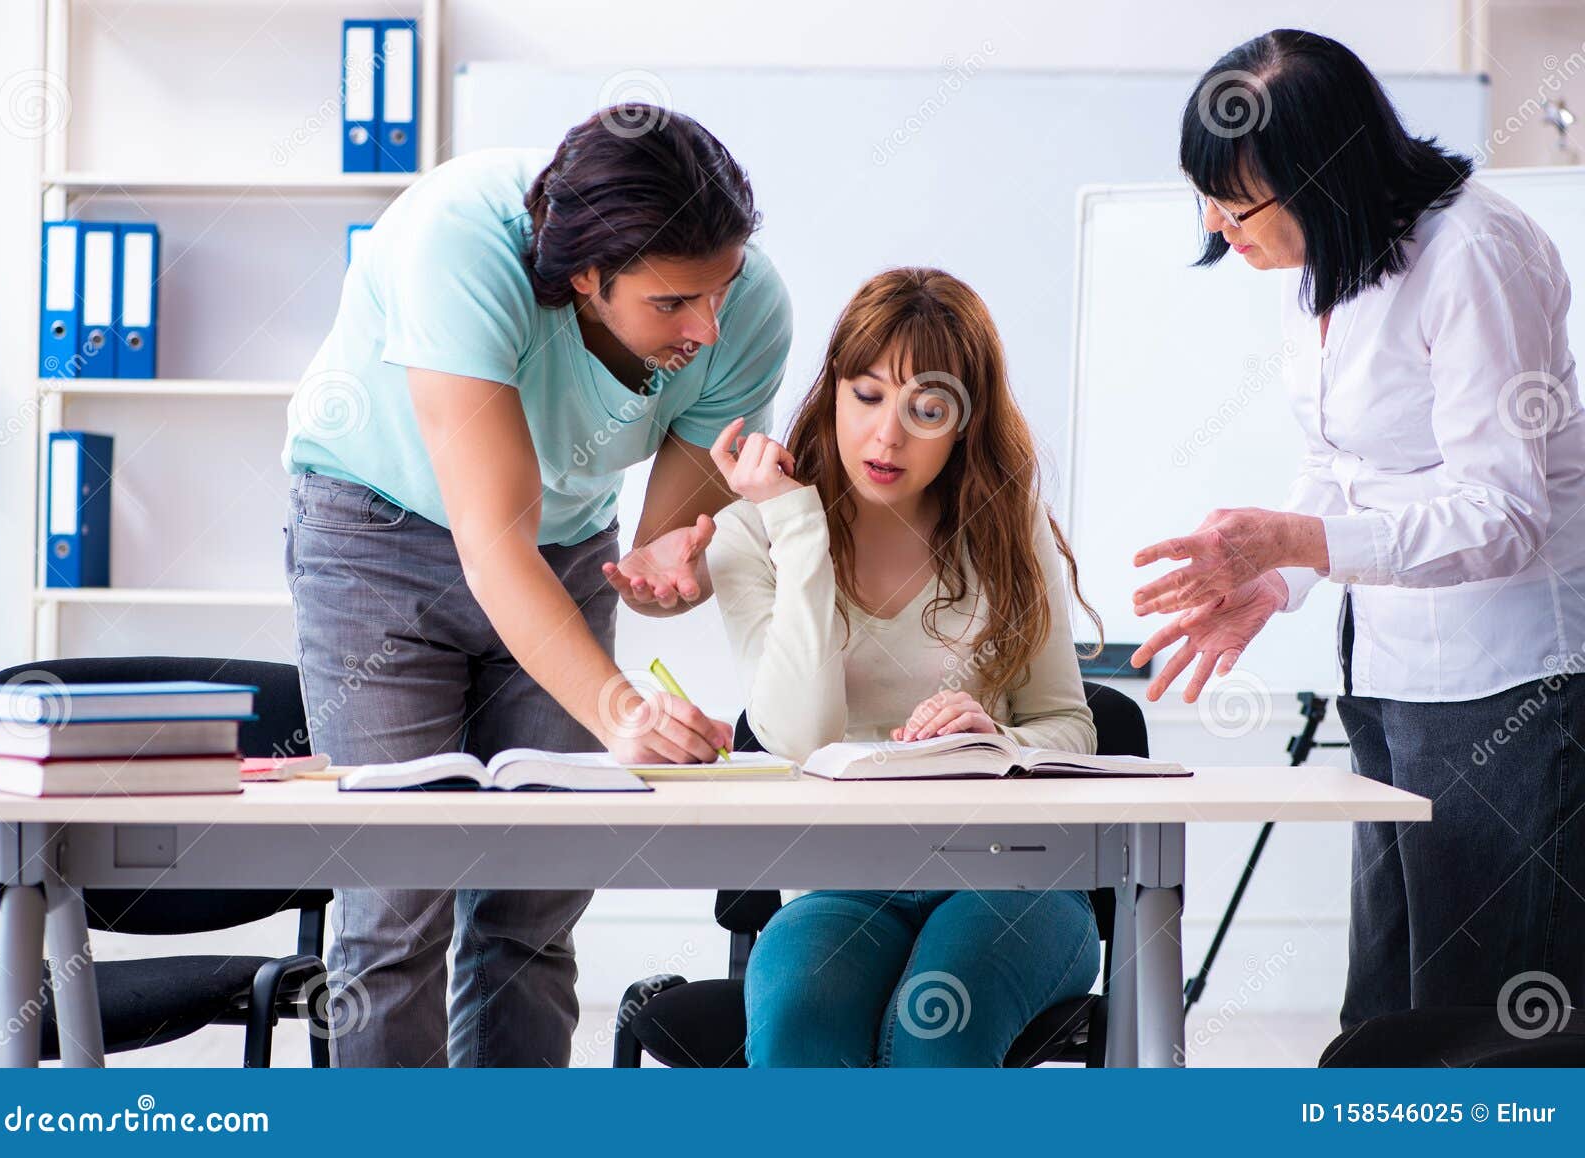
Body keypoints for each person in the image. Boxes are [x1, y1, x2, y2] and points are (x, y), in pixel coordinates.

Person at [281, 106, 791, 1066]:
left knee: (535, 901)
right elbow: (491, 539)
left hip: (557, 547)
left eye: (717, 291)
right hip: (374, 537)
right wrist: (616, 707)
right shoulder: (460, 244)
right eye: (674, 304)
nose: (709, 326)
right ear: (586, 279)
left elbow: (652, 550)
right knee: (396, 907)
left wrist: (667, 568)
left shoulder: (748, 308)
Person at [1133, 29, 1585, 1028]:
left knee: (1487, 1027)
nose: (1215, 222)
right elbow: (1342, 462)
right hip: (1386, 674)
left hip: (1503, 678)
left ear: (1321, 178)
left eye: (1236, 201)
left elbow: (1502, 514)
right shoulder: (1324, 260)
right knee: (1385, 1015)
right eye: (1203, 193)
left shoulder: (1473, 255)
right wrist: (1275, 582)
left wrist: (1296, 544)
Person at [705, 268, 1100, 1066]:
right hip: (846, 879)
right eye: (867, 395)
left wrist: (999, 744)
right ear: (833, 392)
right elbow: (798, 736)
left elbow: (1072, 727)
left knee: (938, 1029)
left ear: (965, 422)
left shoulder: (1004, 523)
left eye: (927, 409)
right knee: (796, 1030)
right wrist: (797, 523)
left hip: (1018, 877)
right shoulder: (756, 531)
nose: (887, 438)